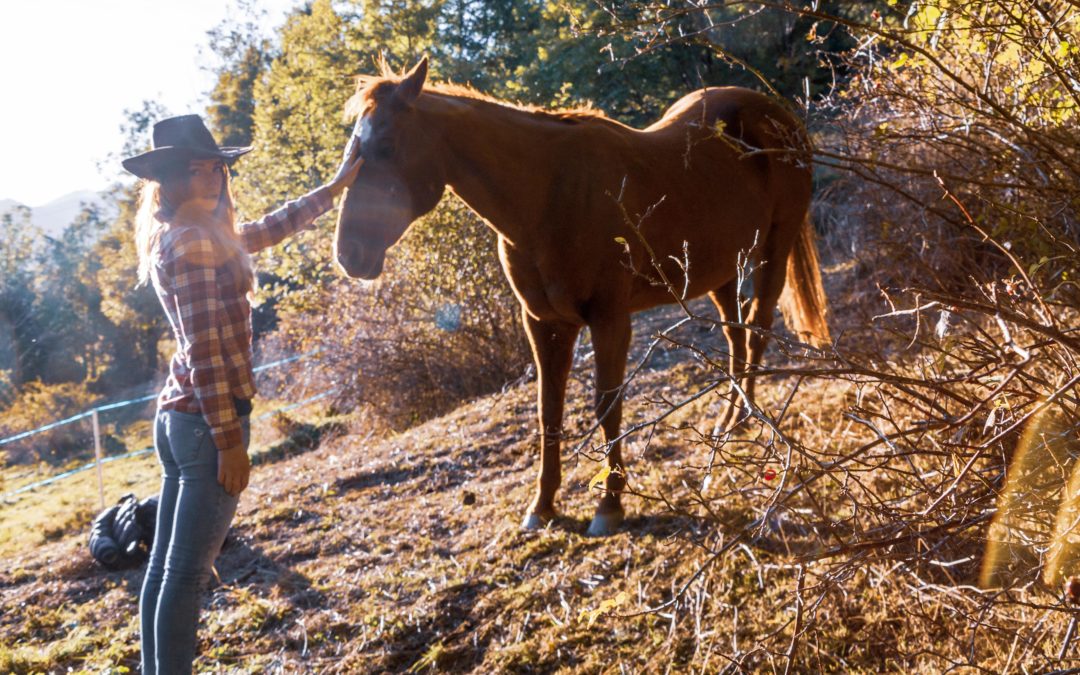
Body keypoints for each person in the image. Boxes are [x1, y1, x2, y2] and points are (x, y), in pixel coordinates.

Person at [122, 114, 362, 674]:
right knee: (184, 572)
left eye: (216, 167)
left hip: (181, 417)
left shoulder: (200, 234)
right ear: (170, 179)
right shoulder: (192, 244)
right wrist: (231, 442)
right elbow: (207, 353)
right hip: (209, 421)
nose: (210, 177)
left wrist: (333, 190)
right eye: (196, 168)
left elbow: (267, 230)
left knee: (167, 566)